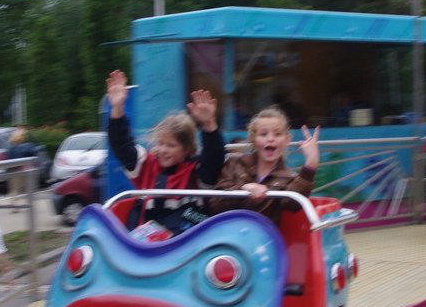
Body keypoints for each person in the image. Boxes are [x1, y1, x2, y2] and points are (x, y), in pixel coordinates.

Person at [104, 70, 224, 235]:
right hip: (147, 242)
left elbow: (214, 156)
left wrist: (209, 124)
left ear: (187, 149)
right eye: (160, 143)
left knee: (197, 219)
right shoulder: (146, 165)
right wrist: (117, 108)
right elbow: (121, 144)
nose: (163, 150)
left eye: (171, 145)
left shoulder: (195, 171)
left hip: (186, 241)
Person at [209, 107, 321, 224]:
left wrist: (311, 163)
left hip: (262, 233)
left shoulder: (289, 178)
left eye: (277, 134)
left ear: (287, 140)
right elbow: (216, 204)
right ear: (253, 139)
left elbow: (294, 205)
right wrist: (243, 189)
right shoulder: (234, 162)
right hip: (228, 229)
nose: (270, 139)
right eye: (263, 134)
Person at [5, 128, 37, 209]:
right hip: (24, 169)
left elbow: (8, 158)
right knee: (27, 188)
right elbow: (33, 153)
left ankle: (14, 205)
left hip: (13, 170)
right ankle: (29, 205)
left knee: (14, 189)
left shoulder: (11, 146)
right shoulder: (26, 146)